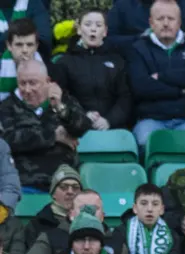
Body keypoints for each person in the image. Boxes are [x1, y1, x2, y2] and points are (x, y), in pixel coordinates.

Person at [125, 0, 185, 148]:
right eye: (160, 19)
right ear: (151, 22)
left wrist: (162, 77)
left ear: (179, 22)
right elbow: (141, 87)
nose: (165, 23)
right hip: (151, 120)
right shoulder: (137, 48)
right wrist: (180, 90)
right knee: (145, 142)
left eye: (170, 19)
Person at [0, 59, 92, 192]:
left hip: (65, 182)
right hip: (24, 182)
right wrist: (53, 136)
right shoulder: (7, 107)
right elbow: (9, 139)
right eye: (22, 83)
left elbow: (82, 127)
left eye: (33, 83)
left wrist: (60, 108)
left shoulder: (64, 100)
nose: (27, 89)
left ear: (47, 81)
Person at [53, 8, 132, 130]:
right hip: (76, 127)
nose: (93, 29)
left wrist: (108, 120)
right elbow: (61, 97)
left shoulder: (118, 61)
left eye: (98, 25)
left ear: (105, 31)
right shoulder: (65, 62)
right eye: (88, 24)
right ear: (79, 29)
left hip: (113, 127)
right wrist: (82, 116)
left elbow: (125, 97)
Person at [116, 183, 180, 254]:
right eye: (144, 203)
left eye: (155, 204)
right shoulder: (121, 231)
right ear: (135, 208)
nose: (149, 209)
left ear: (162, 209)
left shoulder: (172, 234)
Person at [23, 164, 81, 249]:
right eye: (63, 187)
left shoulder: (91, 221)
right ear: (53, 193)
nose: (70, 191)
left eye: (75, 187)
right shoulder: (36, 225)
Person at [0, 18, 44, 102]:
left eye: (30, 45)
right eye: (19, 45)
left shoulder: (50, 72)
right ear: (9, 45)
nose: (25, 50)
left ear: (36, 46)